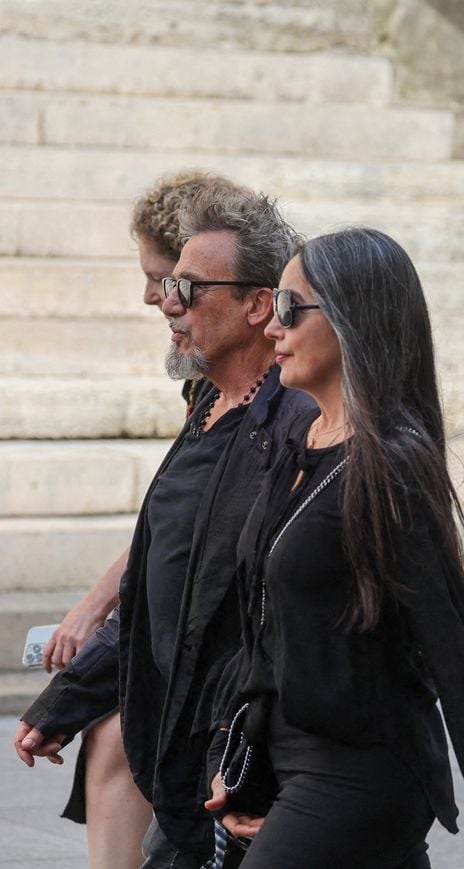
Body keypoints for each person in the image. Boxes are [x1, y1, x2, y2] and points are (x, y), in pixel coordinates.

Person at [205, 228, 464, 869]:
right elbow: (265, 626)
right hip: (292, 763)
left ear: (350, 319)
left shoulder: (388, 466)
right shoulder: (300, 445)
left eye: (288, 309)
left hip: (359, 771)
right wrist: (243, 761)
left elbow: (454, 640)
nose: (271, 330)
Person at [14, 180, 314, 868]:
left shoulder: (292, 426)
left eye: (182, 285)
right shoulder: (208, 398)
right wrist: (69, 696)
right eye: (163, 282)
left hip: (239, 758)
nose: (164, 303)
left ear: (256, 304)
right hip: (190, 742)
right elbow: (163, 577)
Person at [34, 170, 240, 869]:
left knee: (120, 730)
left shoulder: (258, 392)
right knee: (111, 726)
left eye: (164, 279)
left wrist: (99, 615)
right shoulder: (206, 381)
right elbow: (171, 523)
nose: (152, 296)